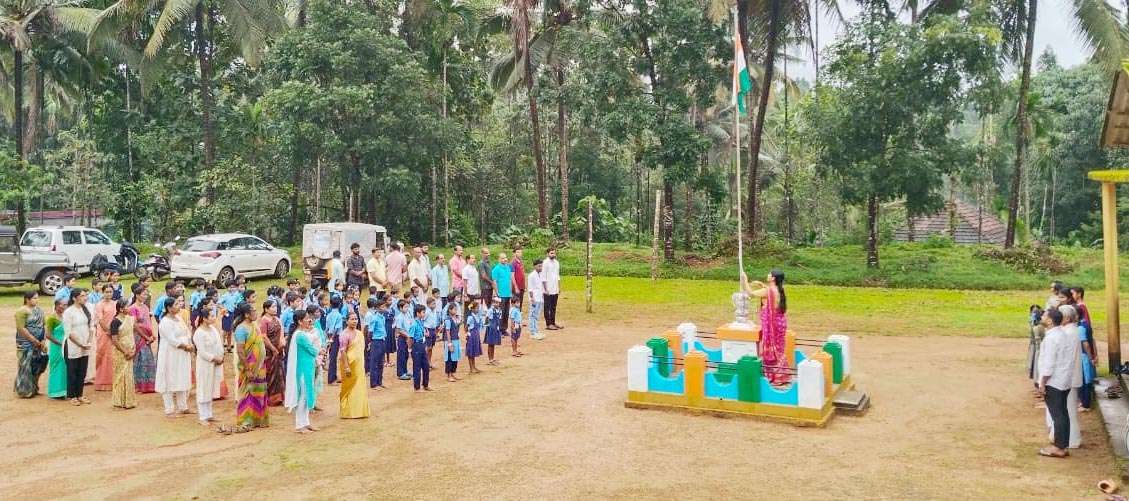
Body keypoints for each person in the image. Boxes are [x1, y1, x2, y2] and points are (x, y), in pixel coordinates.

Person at [1037, 306, 1079, 458]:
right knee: (1062, 413)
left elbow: (1049, 364)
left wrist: (1042, 382)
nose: (1042, 317)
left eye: (1044, 316)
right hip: (1063, 380)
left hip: (1054, 381)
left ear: (1049, 321)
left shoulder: (1052, 338)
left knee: (1058, 415)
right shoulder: (1063, 334)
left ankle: (1059, 447)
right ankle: (1062, 444)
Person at [741, 270, 789, 385]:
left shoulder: (768, 291)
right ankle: (781, 376)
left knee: (772, 351)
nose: (767, 275)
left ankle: (774, 378)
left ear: (773, 278)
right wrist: (762, 285)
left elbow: (750, 294)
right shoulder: (779, 289)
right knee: (779, 350)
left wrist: (744, 280)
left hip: (772, 325)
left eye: (769, 274)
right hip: (780, 323)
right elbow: (770, 294)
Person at [155, 296, 194, 417]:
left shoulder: (178, 318)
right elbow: (171, 339)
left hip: (182, 354)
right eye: (176, 305)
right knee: (169, 378)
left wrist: (189, 343)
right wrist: (185, 346)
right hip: (170, 354)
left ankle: (183, 406)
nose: (179, 306)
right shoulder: (165, 322)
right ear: (169, 308)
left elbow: (187, 331)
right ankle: (169, 409)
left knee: (181, 376)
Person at [234, 302, 269, 429]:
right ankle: (246, 420)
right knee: (248, 392)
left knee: (259, 391)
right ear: (246, 314)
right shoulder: (241, 329)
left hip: (260, 367)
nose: (256, 313)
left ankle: (259, 418)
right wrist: (247, 369)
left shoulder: (254, 326)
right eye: (253, 311)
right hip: (249, 367)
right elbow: (240, 351)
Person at [284, 309, 320, 433]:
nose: (308, 320)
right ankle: (300, 425)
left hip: (307, 367)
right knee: (303, 396)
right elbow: (312, 349)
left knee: (306, 394)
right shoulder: (300, 335)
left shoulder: (302, 334)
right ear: (300, 321)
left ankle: (306, 422)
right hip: (303, 369)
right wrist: (319, 350)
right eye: (306, 318)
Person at [193, 307, 224, 424]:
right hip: (205, 364)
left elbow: (219, 344)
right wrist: (214, 358)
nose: (214, 318)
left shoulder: (213, 329)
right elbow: (202, 352)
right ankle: (202, 416)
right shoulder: (199, 333)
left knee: (211, 387)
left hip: (215, 363)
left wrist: (221, 357)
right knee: (203, 388)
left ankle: (209, 414)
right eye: (211, 316)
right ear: (204, 318)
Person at [63, 289, 94, 405]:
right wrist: (80, 344)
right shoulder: (69, 312)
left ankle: (80, 394)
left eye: (85, 295)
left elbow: (91, 326)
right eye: (82, 296)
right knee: (72, 371)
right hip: (73, 346)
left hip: (85, 345)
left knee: (82, 371)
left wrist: (88, 342)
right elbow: (68, 332)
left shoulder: (86, 310)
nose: (85, 298)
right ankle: (72, 396)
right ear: (74, 298)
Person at [14, 291, 48, 398]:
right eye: (34, 298)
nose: (37, 300)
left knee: (37, 365)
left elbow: (44, 325)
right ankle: (24, 390)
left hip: (39, 342)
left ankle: (34, 388)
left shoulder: (39, 310)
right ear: (27, 299)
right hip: (25, 343)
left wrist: (43, 340)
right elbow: (21, 328)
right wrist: (33, 340)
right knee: (25, 366)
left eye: (37, 298)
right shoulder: (21, 311)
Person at [338, 311, 371, 418]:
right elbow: (343, 351)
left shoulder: (360, 334)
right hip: (349, 365)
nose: (354, 321)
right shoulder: (344, 334)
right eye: (352, 319)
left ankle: (359, 411)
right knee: (349, 388)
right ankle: (347, 412)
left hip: (359, 365)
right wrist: (346, 367)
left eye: (356, 319)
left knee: (359, 387)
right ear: (347, 321)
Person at [1071, 287, 1097, 412]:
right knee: (1086, 378)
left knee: (1085, 379)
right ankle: (1084, 402)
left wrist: (1091, 356)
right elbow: (1091, 340)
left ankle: (1085, 404)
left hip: (1084, 356)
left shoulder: (1081, 327)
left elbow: (1086, 343)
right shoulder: (1083, 325)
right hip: (1085, 356)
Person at [108, 299, 137, 409]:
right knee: (120, 375)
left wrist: (132, 350)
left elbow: (132, 334)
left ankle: (128, 400)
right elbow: (114, 340)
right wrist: (125, 351)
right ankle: (119, 401)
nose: (129, 308)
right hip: (120, 352)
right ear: (121, 309)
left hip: (130, 350)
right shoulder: (115, 322)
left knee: (128, 375)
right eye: (127, 306)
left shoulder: (129, 319)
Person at [129, 285, 157, 394]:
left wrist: (152, 335)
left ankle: (148, 385)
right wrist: (145, 337)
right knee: (140, 359)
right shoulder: (132, 308)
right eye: (143, 294)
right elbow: (135, 325)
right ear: (137, 295)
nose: (146, 296)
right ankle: (139, 385)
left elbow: (148, 322)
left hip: (147, 337)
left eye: (146, 294)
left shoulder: (145, 307)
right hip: (138, 336)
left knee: (148, 359)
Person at [260, 300, 286, 407]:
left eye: (275, 306)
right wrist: (272, 348)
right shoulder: (264, 320)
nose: (275, 309)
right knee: (269, 373)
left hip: (278, 349)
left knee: (279, 374)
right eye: (272, 307)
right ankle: (270, 398)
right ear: (266, 309)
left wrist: (281, 345)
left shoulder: (277, 319)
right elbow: (264, 336)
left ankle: (279, 397)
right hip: (269, 351)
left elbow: (281, 332)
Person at [93, 283, 117, 391]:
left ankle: (112, 381)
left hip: (114, 332)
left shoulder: (115, 304)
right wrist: (108, 331)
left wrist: (114, 332)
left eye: (110, 292)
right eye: (106, 292)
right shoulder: (99, 305)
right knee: (103, 355)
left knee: (112, 356)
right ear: (103, 292)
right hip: (103, 333)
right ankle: (102, 382)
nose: (108, 294)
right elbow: (100, 320)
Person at [44, 298, 68, 398]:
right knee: (56, 367)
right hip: (56, 347)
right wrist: (60, 343)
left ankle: (63, 390)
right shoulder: (51, 318)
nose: (65, 307)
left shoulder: (65, 316)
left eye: (66, 305)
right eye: (63, 305)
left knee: (64, 367)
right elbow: (48, 335)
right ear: (57, 306)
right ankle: (54, 391)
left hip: (65, 345)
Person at [365, 297, 388, 389]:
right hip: (376, 341)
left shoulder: (382, 317)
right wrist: (370, 342)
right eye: (382, 307)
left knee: (380, 362)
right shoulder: (374, 318)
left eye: (385, 306)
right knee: (374, 362)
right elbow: (370, 332)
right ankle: (374, 384)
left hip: (382, 340)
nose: (384, 308)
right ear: (377, 308)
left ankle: (379, 381)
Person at [408, 304, 432, 392]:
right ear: (418, 313)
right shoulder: (414, 324)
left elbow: (421, 334)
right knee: (417, 367)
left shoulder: (421, 322)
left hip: (421, 344)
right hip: (416, 345)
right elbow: (410, 338)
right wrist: (410, 349)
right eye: (423, 312)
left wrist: (425, 336)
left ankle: (425, 385)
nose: (424, 314)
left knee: (426, 366)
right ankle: (417, 387)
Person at [492, 253, 515, 332]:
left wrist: (511, 292)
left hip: (508, 294)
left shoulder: (508, 267)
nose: (505, 259)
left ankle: (504, 329)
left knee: (506, 312)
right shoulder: (496, 269)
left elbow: (510, 280)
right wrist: (497, 292)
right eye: (502, 258)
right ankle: (499, 330)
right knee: (501, 313)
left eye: (505, 258)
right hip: (501, 294)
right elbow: (494, 281)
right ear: (499, 259)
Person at [324, 296, 345, 385]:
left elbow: (327, 328)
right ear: (339, 304)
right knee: (333, 358)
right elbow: (336, 328)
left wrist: (327, 338)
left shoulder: (329, 315)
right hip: (335, 337)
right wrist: (332, 338)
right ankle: (331, 379)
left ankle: (334, 376)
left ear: (330, 304)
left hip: (329, 336)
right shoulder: (339, 316)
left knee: (333, 357)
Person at [441, 302, 463, 382]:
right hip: (450, 340)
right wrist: (450, 343)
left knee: (455, 357)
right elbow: (447, 332)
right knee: (449, 358)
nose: (456, 311)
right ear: (450, 310)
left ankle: (452, 373)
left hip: (456, 339)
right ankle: (449, 375)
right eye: (454, 309)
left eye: (456, 309)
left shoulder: (456, 319)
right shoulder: (448, 320)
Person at [543, 248, 562, 329]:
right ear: (547, 254)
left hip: (555, 288)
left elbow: (558, 276)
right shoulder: (545, 263)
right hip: (547, 289)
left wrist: (559, 287)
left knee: (553, 307)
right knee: (547, 307)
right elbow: (543, 277)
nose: (553, 255)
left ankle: (553, 322)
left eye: (554, 253)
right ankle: (548, 324)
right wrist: (545, 289)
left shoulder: (557, 263)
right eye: (551, 253)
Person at [527, 259, 546, 340]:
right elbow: (530, 288)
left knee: (537, 315)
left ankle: (536, 330)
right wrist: (532, 298)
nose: (541, 267)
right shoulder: (531, 275)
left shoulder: (540, 274)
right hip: (534, 298)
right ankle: (532, 332)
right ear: (535, 266)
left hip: (540, 298)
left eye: (541, 266)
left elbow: (541, 286)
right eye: (539, 266)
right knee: (532, 315)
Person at [395, 299, 413, 380]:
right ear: (400, 308)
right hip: (402, 338)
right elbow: (399, 330)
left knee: (406, 355)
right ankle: (401, 373)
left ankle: (405, 371)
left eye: (407, 307)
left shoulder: (407, 315)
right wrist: (407, 336)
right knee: (401, 355)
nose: (407, 308)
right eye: (405, 307)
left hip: (407, 337)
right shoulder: (399, 317)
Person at [464, 301, 483, 374]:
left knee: (473, 351)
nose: (478, 309)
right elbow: (466, 327)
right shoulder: (470, 317)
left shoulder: (476, 316)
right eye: (477, 308)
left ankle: (474, 367)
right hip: (471, 335)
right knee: (470, 352)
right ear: (472, 309)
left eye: (478, 308)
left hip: (476, 335)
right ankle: (471, 368)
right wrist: (467, 334)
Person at [484, 297, 503, 366]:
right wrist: (488, 325)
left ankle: (492, 358)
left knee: (493, 344)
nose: (497, 304)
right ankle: (490, 359)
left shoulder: (499, 310)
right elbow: (487, 318)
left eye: (498, 303)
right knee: (490, 344)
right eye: (495, 302)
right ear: (493, 303)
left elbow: (499, 319)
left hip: (496, 328)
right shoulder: (490, 310)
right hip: (491, 329)